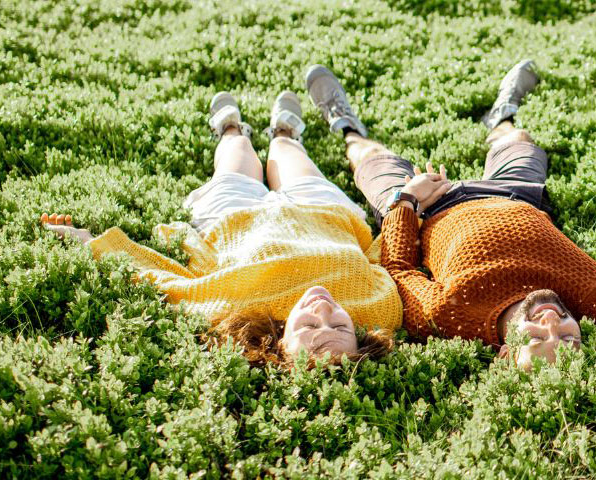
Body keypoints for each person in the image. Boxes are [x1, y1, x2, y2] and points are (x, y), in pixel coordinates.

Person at [302, 61, 596, 391]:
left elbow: (400, 270)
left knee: (370, 159)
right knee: (518, 140)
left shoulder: (449, 317)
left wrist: (407, 200)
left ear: (505, 355)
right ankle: (502, 115)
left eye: (537, 339)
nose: (551, 321)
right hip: (514, 195)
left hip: (430, 207)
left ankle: (345, 123)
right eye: (568, 340)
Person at [40, 88, 400, 366]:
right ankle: (284, 132)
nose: (323, 310)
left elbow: (164, 282)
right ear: (359, 336)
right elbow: (389, 257)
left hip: (234, 220)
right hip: (324, 214)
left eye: (307, 327)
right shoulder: (379, 309)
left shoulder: (236, 309)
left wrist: (92, 243)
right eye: (339, 328)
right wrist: (407, 207)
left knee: (237, 152)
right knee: (288, 154)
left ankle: (229, 128)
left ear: (280, 343)